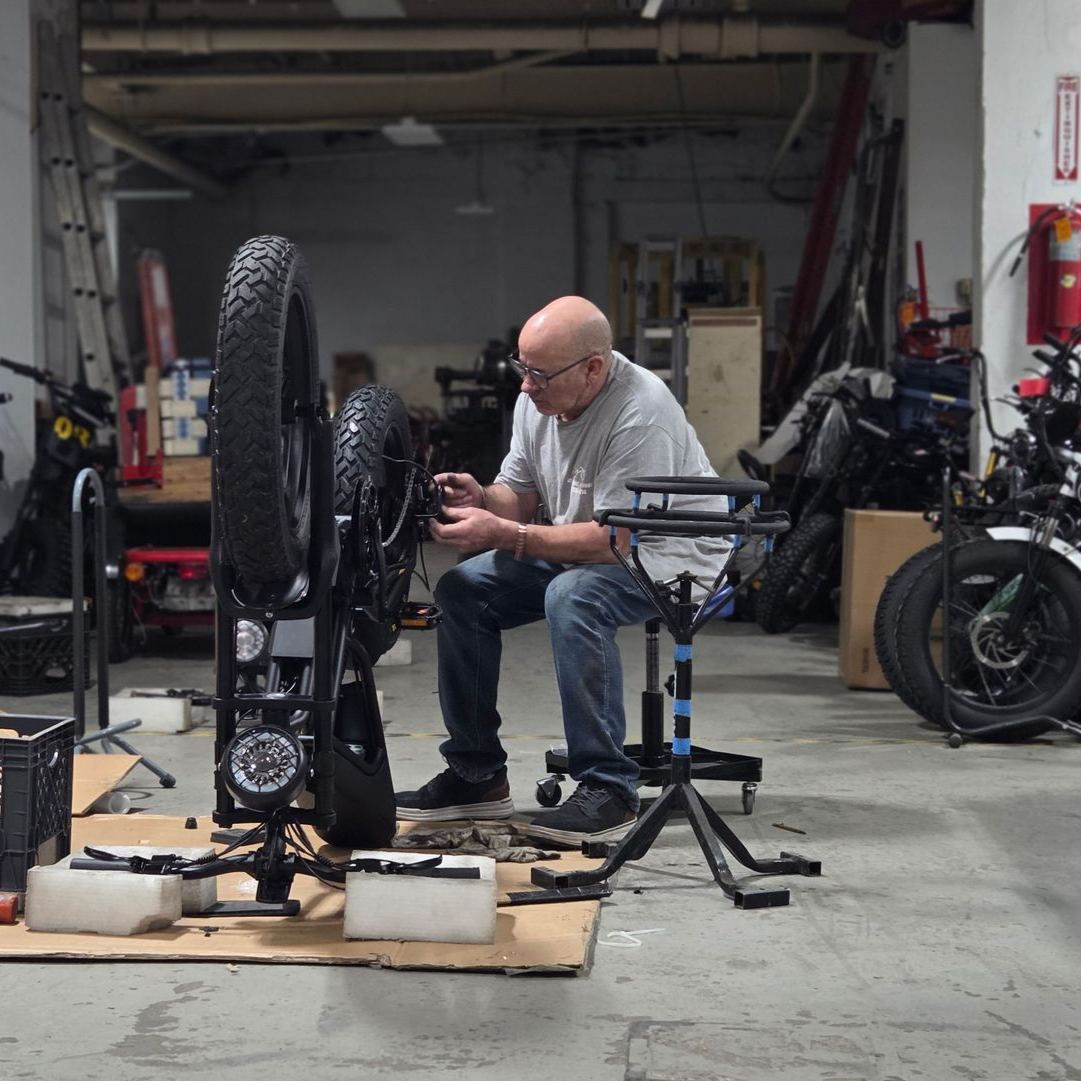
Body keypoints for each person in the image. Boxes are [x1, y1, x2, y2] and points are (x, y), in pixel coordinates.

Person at [394, 295, 732, 846]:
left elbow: (616, 540)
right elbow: (521, 498)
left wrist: (506, 535)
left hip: (671, 555)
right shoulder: (542, 399)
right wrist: (480, 495)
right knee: (462, 589)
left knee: (574, 596)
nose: (525, 386)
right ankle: (476, 775)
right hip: (583, 541)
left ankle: (608, 789)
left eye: (538, 374)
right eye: (521, 369)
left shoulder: (640, 413)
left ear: (593, 367)